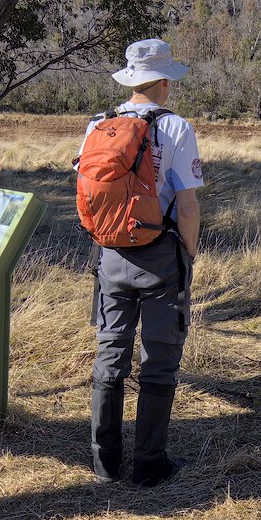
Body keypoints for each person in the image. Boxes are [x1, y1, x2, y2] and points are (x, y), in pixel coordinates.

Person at [81, 39, 203, 486]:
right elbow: (187, 206)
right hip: (159, 256)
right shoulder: (176, 128)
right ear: (164, 82)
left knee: (110, 350)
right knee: (159, 357)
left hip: (110, 254)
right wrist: (186, 257)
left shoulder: (98, 124)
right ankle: (150, 463)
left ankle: (104, 460)